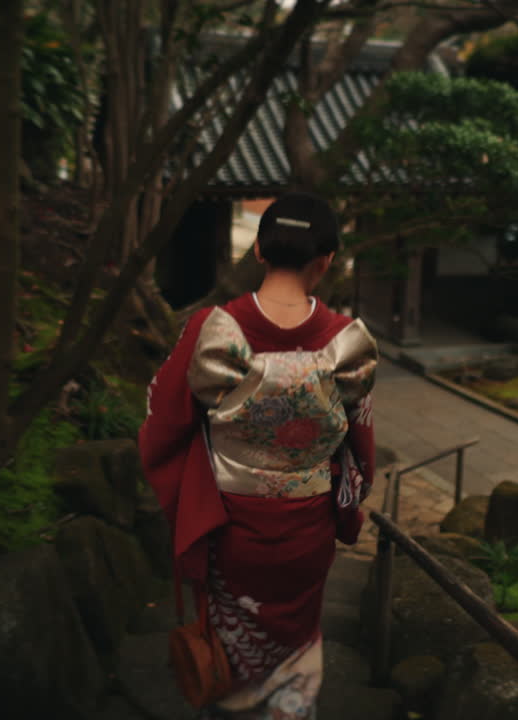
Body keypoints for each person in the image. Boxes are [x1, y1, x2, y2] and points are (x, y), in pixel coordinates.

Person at [138, 192, 378, 719]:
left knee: (229, 631)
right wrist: (346, 494)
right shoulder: (348, 342)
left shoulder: (212, 330)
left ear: (262, 253)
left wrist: (192, 490)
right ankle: (290, 707)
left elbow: (161, 424)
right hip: (307, 529)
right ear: (327, 261)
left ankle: (226, 702)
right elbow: (360, 445)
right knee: (297, 633)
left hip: (230, 525)